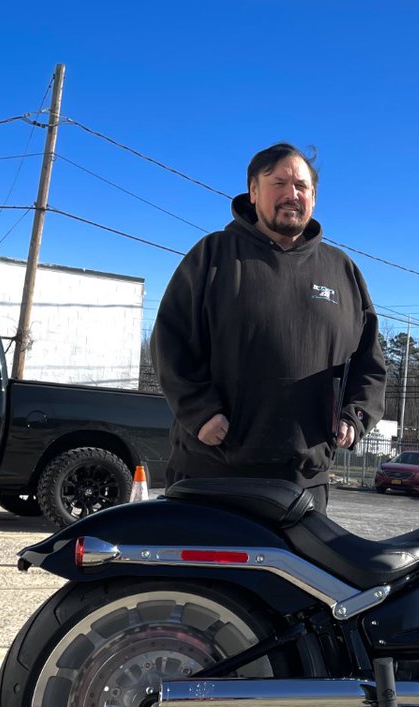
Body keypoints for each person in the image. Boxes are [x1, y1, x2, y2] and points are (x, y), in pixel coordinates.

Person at [151, 143, 386, 511]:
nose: (292, 194)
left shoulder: (342, 271)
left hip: (304, 481)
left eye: (302, 186)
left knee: (293, 572)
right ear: (253, 191)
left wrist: (354, 416)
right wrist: (201, 413)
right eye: (279, 183)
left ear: (314, 197)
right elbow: (170, 343)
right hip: (212, 471)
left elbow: (369, 365)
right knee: (206, 572)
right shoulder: (212, 255)